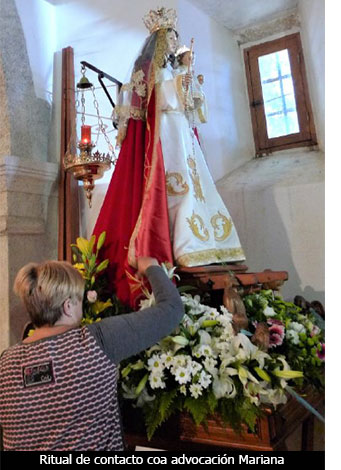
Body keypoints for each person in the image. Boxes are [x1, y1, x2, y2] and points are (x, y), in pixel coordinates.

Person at [93, 7, 245, 308]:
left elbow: (195, 110)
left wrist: (189, 81)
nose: (175, 43)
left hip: (183, 135)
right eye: (171, 38)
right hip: (162, 135)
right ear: (160, 40)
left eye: (176, 38)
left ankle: (204, 243)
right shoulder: (151, 70)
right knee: (174, 188)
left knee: (194, 185)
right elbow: (152, 101)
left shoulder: (177, 70)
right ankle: (178, 244)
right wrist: (179, 84)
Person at [0, 257, 184, 451]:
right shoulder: (95, 341)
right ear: (67, 307)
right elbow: (171, 309)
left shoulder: (6, 362)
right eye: (79, 300)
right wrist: (151, 266)